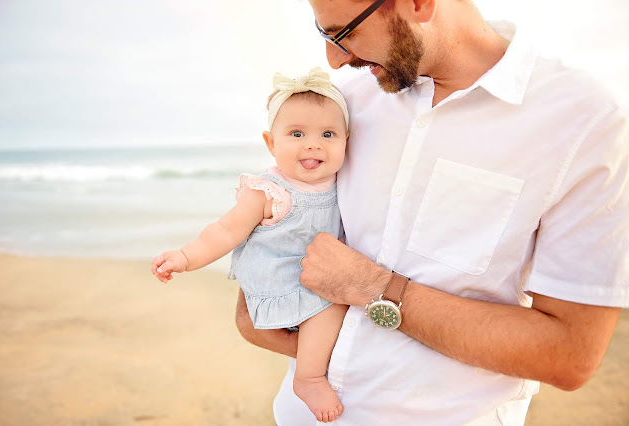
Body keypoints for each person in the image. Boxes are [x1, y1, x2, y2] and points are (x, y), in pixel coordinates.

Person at [235, 0, 629, 424]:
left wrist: (372, 287)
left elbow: (570, 354)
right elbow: (279, 237)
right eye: (323, 33)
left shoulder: (585, 123)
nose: (335, 58)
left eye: (343, 33)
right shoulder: (343, 107)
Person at [151, 68, 350, 423]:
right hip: (279, 280)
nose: (313, 143)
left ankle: (310, 363)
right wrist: (184, 257)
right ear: (271, 143)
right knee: (331, 306)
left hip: (316, 276)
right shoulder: (268, 190)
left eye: (328, 134)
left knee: (334, 304)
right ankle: (309, 378)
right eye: (297, 133)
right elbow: (226, 231)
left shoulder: (344, 181)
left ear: (347, 141)